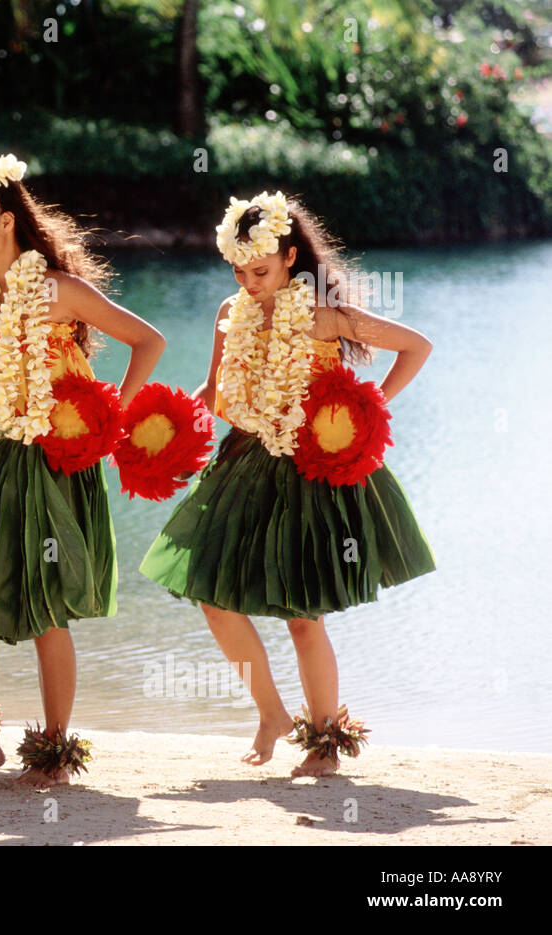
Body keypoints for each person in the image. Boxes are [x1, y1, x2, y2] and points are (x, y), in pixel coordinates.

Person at [139, 191, 435, 777]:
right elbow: (213, 390)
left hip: (310, 471)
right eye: (238, 270)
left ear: (291, 257)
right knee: (213, 599)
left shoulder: (323, 315)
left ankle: (324, 742)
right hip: (244, 464)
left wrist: (363, 416)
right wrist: (169, 436)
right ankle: (271, 714)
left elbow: (415, 345)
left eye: (261, 270)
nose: (248, 282)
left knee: (304, 616)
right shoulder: (229, 313)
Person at [0, 155, 166, 786]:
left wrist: (110, 415)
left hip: (48, 461)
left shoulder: (58, 290)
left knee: (45, 608)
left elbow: (146, 340)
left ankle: (53, 749)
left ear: (7, 221)